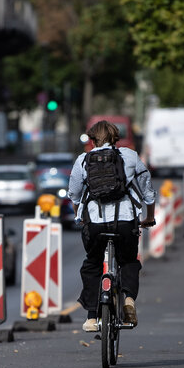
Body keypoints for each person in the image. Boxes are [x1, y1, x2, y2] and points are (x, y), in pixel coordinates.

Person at [67, 121, 156, 332]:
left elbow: (74, 195)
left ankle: (91, 317)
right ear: (116, 138)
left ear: (92, 140)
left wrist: (79, 216)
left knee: (92, 264)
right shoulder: (131, 156)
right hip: (125, 222)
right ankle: (128, 300)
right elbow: (148, 192)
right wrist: (149, 217)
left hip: (95, 224)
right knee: (128, 262)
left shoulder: (82, 160)